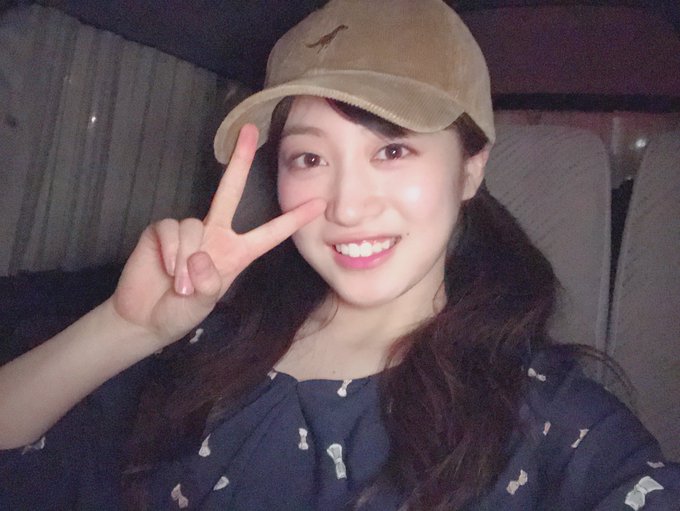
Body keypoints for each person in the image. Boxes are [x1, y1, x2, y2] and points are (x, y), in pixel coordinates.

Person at [0, 0, 679, 509]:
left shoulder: (548, 416)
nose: (347, 206)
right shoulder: (209, 339)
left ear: (471, 168)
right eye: (309, 157)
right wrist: (125, 329)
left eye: (393, 149)